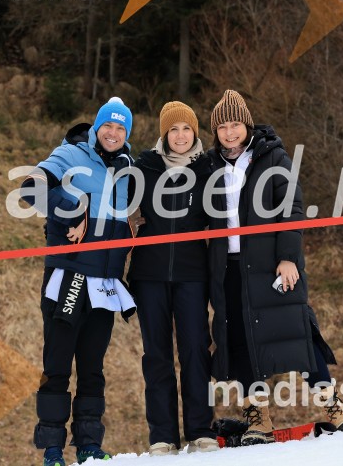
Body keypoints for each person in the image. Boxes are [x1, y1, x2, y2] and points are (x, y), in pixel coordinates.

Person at [206, 90, 343, 445]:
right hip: (228, 268)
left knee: (298, 332)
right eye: (222, 126)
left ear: (247, 124)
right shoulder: (210, 164)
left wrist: (288, 257)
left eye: (235, 124)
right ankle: (258, 417)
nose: (230, 133)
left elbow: (292, 206)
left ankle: (334, 408)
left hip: (271, 263)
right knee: (240, 341)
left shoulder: (272, 155)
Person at [22, 97, 137, 466]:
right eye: (108, 126)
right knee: (57, 364)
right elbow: (30, 187)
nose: (113, 133)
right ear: (96, 127)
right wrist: (73, 207)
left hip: (105, 284)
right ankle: (52, 448)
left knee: (92, 366)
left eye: (121, 128)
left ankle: (88, 444)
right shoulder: (70, 154)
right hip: (69, 277)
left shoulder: (129, 168)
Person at [127, 102, 217, 456]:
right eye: (173, 130)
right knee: (157, 354)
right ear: (164, 134)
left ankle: (201, 430)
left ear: (195, 133)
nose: (180, 136)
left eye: (186, 129)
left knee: (195, 348)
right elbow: (122, 209)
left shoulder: (207, 168)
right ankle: (162, 436)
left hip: (193, 275)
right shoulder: (144, 167)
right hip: (149, 276)